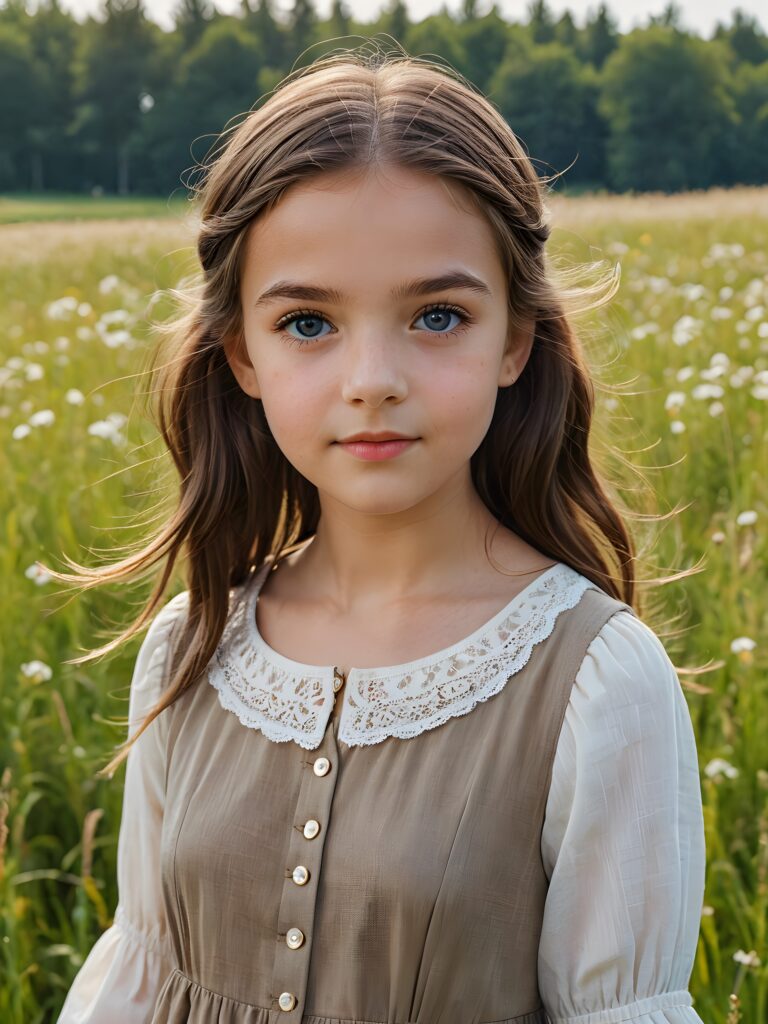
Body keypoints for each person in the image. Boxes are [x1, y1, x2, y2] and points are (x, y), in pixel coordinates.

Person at [53, 44, 706, 1024]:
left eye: (438, 315)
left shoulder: (597, 681)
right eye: (308, 323)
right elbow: (141, 971)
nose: (373, 378)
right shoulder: (192, 648)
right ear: (241, 352)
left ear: (515, 340)